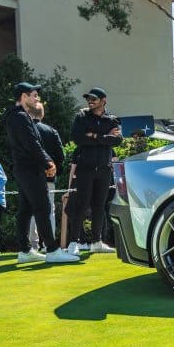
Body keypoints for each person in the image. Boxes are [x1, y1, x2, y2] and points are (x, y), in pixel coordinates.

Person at [3, 82, 79, 263]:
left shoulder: (15, 116)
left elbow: (29, 144)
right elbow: (32, 143)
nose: (37, 98)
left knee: (26, 209)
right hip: (30, 170)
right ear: (23, 96)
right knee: (43, 207)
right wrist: (47, 162)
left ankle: (25, 251)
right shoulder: (20, 117)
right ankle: (52, 251)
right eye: (34, 95)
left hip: (23, 169)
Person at [67, 87, 122, 255]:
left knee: (99, 206)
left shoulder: (112, 119)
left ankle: (97, 241)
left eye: (94, 99)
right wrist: (105, 137)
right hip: (85, 168)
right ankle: (73, 242)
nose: (90, 102)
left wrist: (95, 136)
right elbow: (78, 139)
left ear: (103, 100)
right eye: (88, 99)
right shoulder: (81, 117)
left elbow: (117, 140)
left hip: (104, 169)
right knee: (81, 205)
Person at [26, 102, 64, 252]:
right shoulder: (51, 131)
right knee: (50, 211)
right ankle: (49, 244)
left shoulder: (26, 131)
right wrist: (53, 168)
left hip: (30, 176)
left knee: (31, 210)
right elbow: (61, 155)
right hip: (49, 176)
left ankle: (32, 245)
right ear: (42, 115)